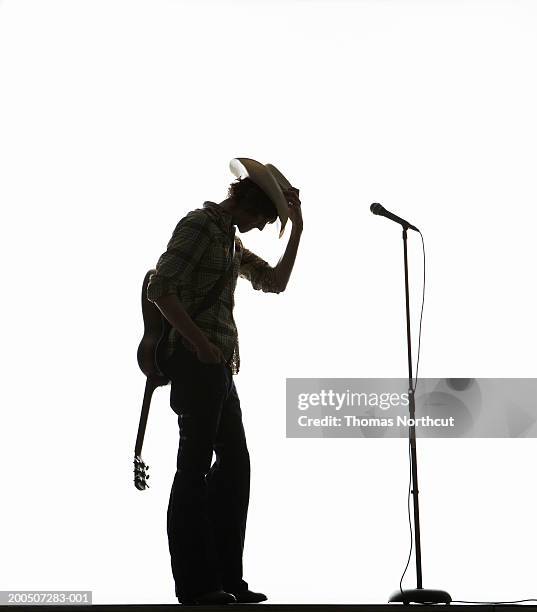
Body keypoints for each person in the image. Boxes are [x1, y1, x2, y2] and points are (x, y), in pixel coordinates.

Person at [146, 159, 303, 605]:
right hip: (197, 361)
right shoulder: (199, 225)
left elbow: (274, 282)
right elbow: (162, 287)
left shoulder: (231, 244)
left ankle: (227, 580)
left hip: (219, 366)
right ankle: (198, 586)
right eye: (265, 218)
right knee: (193, 469)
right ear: (249, 204)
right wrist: (197, 343)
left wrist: (298, 233)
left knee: (235, 466)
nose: (261, 227)